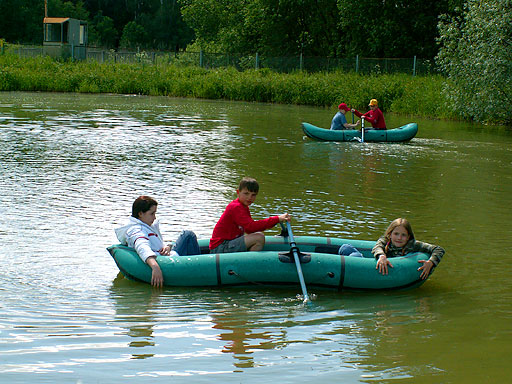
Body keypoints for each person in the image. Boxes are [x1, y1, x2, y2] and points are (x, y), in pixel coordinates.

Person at [115, 195, 200, 287]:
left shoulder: (147, 226)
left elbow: (156, 243)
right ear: (140, 214)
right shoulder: (136, 230)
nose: (154, 217)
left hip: (166, 255)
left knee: (186, 236)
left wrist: (168, 247)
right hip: (167, 261)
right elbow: (142, 247)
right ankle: (200, 269)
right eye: (152, 214)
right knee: (188, 235)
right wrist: (155, 267)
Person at [338, 218, 444, 280]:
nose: (399, 238)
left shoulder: (413, 245)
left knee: (354, 257)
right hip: (373, 264)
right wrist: (382, 256)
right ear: (390, 234)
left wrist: (430, 262)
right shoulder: (385, 241)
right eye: (396, 234)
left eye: (403, 235)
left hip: (383, 271)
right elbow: (377, 246)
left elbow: (439, 249)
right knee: (345, 248)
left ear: (408, 237)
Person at [209, 177, 291, 253]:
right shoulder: (236, 207)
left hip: (226, 244)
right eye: (246, 193)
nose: (249, 197)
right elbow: (251, 227)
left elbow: (248, 230)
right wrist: (276, 219)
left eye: (253, 195)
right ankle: (248, 265)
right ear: (238, 192)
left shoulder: (243, 206)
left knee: (257, 235)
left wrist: (275, 221)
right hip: (220, 247)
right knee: (259, 238)